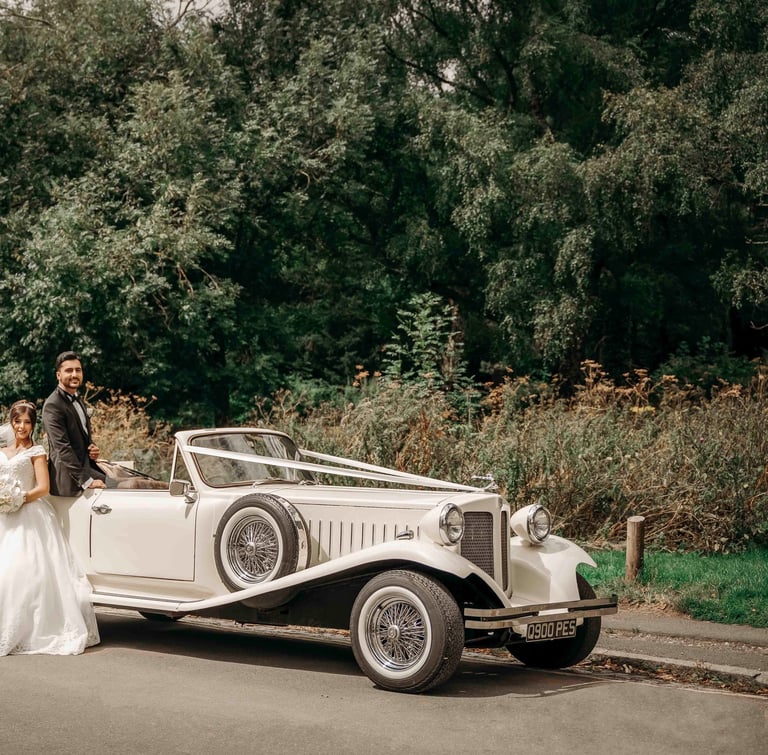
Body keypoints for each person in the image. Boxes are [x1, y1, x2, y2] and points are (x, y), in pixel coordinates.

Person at [0, 399, 100, 655]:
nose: (22, 426)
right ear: (11, 422)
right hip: (3, 515)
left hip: (28, 514)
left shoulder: (36, 451)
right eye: (18, 421)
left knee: (19, 572)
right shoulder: (2, 451)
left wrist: (18, 499)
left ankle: (27, 629)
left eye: (27, 422)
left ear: (33, 425)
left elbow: (43, 488)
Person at [42, 351, 106, 496]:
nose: (74, 374)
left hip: (88, 468)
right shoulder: (53, 405)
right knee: (130, 486)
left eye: (78, 370)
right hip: (71, 481)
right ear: (58, 375)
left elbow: (79, 437)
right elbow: (62, 448)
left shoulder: (77, 398)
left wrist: (92, 447)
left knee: (137, 483)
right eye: (69, 370)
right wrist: (87, 481)